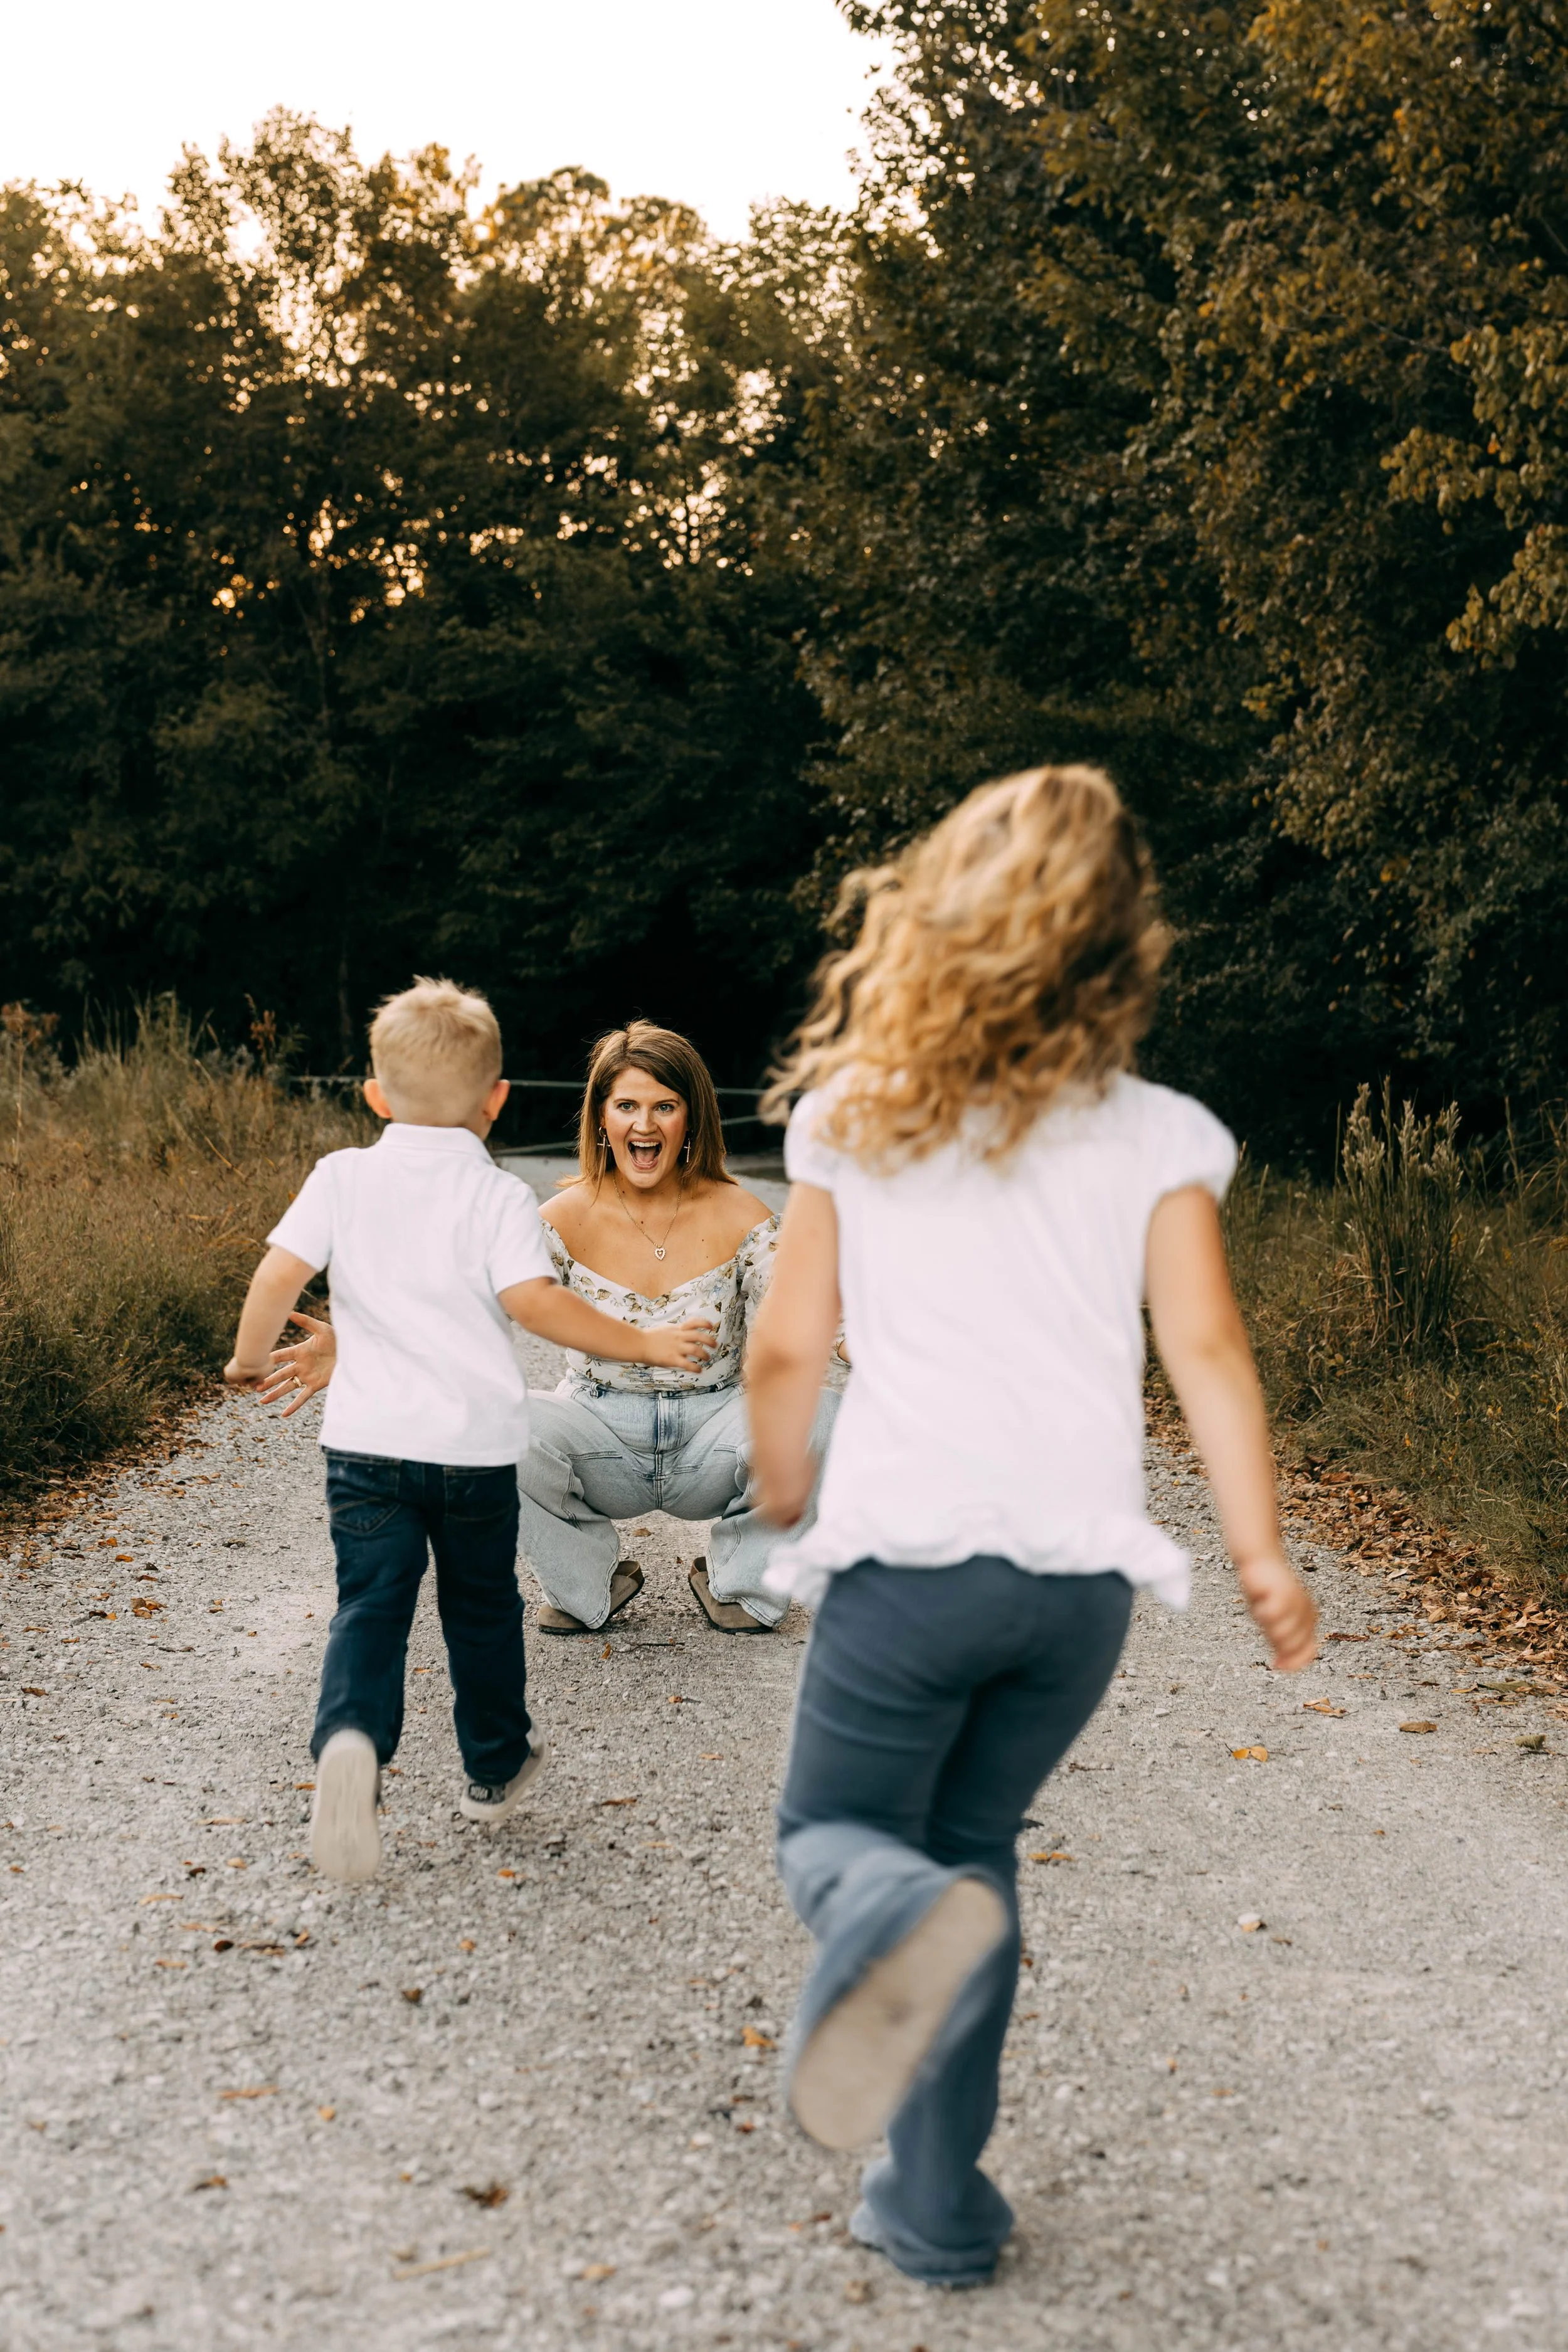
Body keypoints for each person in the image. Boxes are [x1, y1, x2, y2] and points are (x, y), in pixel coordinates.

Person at [743, 765, 1317, 2289]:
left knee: (840, 1840)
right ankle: (935, 2208)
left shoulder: (852, 1119)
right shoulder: (1157, 1136)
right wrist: (1256, 1551)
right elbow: (1206, 1352)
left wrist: (780, 1474)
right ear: (1120, 951)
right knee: (973, 1857)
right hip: (1077, 1589)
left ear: (926, 925)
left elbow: (789, 1346)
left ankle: (894, 1923)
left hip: (912, 1562)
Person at [225, 978, 714, 1885]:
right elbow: (535, 1304)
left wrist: (250, 1357)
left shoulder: (341, 1175)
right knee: (479, 1611)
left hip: (366, 1449)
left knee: (370, 1602)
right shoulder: (494, 1196)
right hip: (475, 1455)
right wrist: (645, 1338)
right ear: (496, 1101)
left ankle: (350, 1741)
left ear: (375, 1096)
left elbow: (279, 1271)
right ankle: (492, 1768)